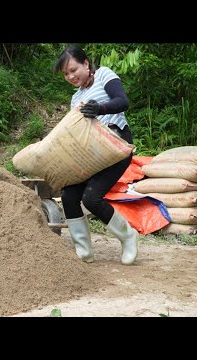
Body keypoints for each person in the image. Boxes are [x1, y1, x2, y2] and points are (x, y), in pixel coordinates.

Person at [53, 44, 138, 265]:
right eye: (66, 74)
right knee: (69, 195)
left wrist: (99, 108)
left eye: (74, 70)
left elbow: (122, 101)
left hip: (116, 145)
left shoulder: (103, 75)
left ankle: (128, 236)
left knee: (91, 198)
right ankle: (84, 252)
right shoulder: (75, 99)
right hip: (90, 152)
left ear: (86, 64)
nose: (71, 76)